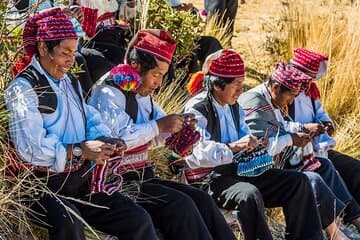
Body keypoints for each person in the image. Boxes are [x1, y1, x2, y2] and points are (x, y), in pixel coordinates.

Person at [5, 8, 159, 240]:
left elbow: (88, 116)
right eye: (65, 52)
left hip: (77, 179)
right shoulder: (23, 87)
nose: (71, 60)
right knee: (70, 222)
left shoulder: (69, 81)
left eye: (74, 52)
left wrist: (103, 138)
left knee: (136, 219)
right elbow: (31, 148)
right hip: (39, 186)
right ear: (43, 48)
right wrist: (80, 150)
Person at [88, 29, 236, 240]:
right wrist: (159, 126)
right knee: (180, 205)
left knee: (201, 199)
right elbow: (119, 139)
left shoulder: (142, 94)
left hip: (141, 177)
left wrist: (179, 129)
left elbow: (155, 136)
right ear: (136, 67)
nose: (158, 83)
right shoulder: (109, 92)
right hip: (117, 184)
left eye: (162, 76)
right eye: (156, 75)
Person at [182, 49, 325, 240]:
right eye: (237, 84)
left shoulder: (234, 106)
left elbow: (245, 137)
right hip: (209, 179)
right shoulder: (197, 108)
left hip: (238, 171)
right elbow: (195, 154)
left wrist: (257, 144)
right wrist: (234, 147)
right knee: (248, 194)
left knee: (297, 182)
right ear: (218, 85)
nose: (241, 90)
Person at [238, 62, 359, 239]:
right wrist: (291, 139)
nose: (291, 102)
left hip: (278, 162)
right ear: (276, 87)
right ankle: (335, 232)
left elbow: (282, 125)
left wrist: (302, 129)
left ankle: (352, 219)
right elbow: (257, 149)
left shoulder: (272, 100)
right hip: (256, 171)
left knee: (323, 165)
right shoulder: (254, 103)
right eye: (290, 96)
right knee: (311, 179)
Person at [287, 48, 360, 232]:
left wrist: (326, 125)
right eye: (307, 78)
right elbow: (281, 125)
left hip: (320, 148)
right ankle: (352, 219)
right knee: (328, 170)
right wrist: (305, 128)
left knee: (354, 168)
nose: (308, 83)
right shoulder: (285, 90)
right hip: (297, 154)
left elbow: (321, 114)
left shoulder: (311, 92)